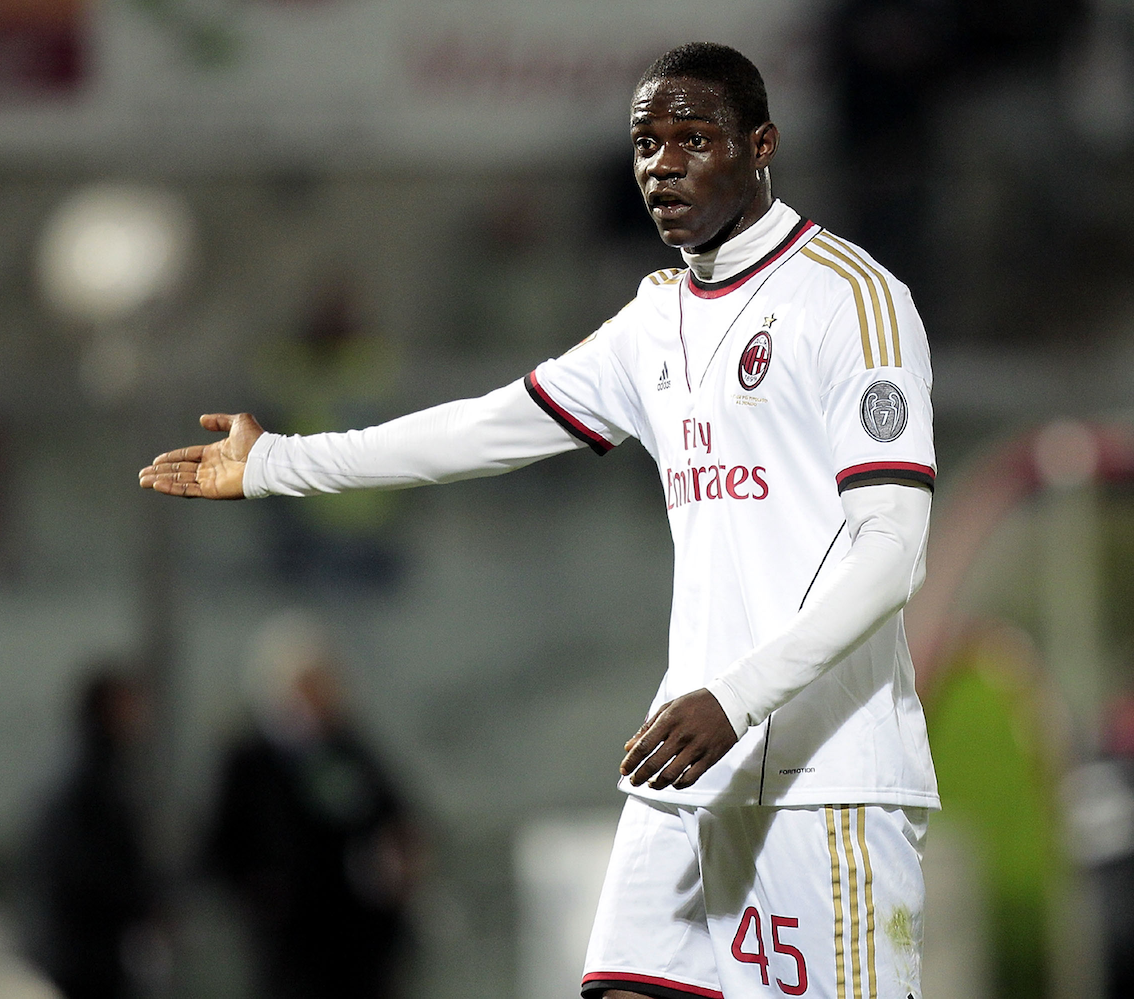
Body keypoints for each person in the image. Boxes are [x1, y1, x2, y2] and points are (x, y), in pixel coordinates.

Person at [142, 42, 938, 999]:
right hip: (691, 764)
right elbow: (486, 426)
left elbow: (891, 552)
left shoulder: (851, 301)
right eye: (647, 142)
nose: (663, 164)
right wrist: (277, 462)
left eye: (695, 138)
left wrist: (737, 697)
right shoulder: (654, 322)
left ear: (761, 145)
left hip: (827, 775)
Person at [205, 612, 419, 999]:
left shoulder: (350, 750)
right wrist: (262, 892)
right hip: (289, 942)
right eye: (302, 688)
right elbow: (216, 847)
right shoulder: (248, 760)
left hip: (357, 937)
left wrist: (394, 864)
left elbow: (395, 818)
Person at [21, 666, 163, 999]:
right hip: (84, 947)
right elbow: (88, 861)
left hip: (86, 943)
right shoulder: (90, 776)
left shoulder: (95, 767)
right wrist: (142, 901)